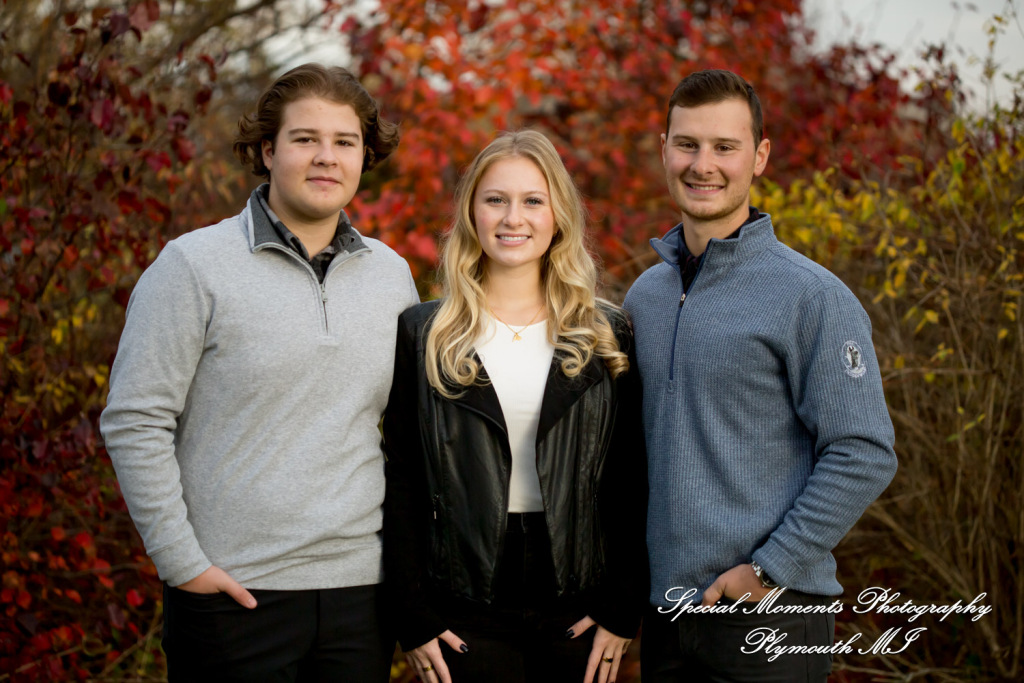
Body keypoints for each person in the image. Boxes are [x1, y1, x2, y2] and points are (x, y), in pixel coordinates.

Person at [100, 63, 418, 682]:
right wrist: (182, 564)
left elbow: (405, 436)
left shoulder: (391, 275)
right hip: (231, 594)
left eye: (345, 141)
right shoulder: (193, 266)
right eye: (305, 139)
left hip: (361, 596)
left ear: (364, 156)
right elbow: (135, 420)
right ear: (268, 150)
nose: (326, 157)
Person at [623, 69, 898, 681]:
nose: (703, 165)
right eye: (688, 144)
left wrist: (770, 569)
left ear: (760, 156)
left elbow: (864, 451)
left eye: (725, 147)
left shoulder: (811, 297)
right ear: (664, 150)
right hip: (668, 619)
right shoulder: (645, 297)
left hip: (773, 614)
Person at [382, 130, 647, 683]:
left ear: (558, 216)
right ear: (472, 213)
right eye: (495, 200)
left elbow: (630, 476)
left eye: (532, 201)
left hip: (579, 605)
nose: (512, 218)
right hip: (463, 607)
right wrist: (413, 613)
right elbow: (402, 477)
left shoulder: (605, 333)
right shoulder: (425, 333)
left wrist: (623, 604)